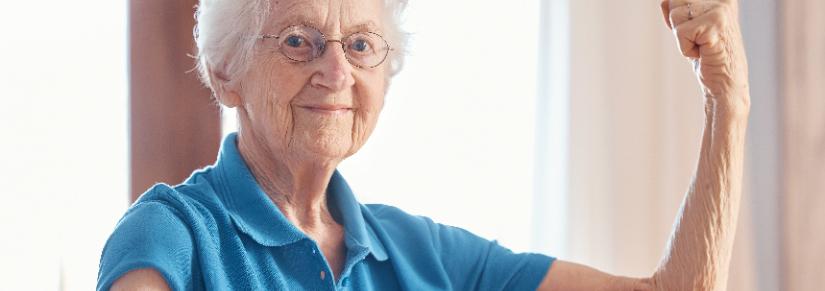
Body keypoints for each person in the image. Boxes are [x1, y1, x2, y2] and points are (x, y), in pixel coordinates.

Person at [97, 0, 750, 290]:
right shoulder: (169, 233)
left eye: (359, 45)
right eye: (297, 40)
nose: (336, 73)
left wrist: (727, 100)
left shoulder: (420, 255)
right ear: (224, 70)